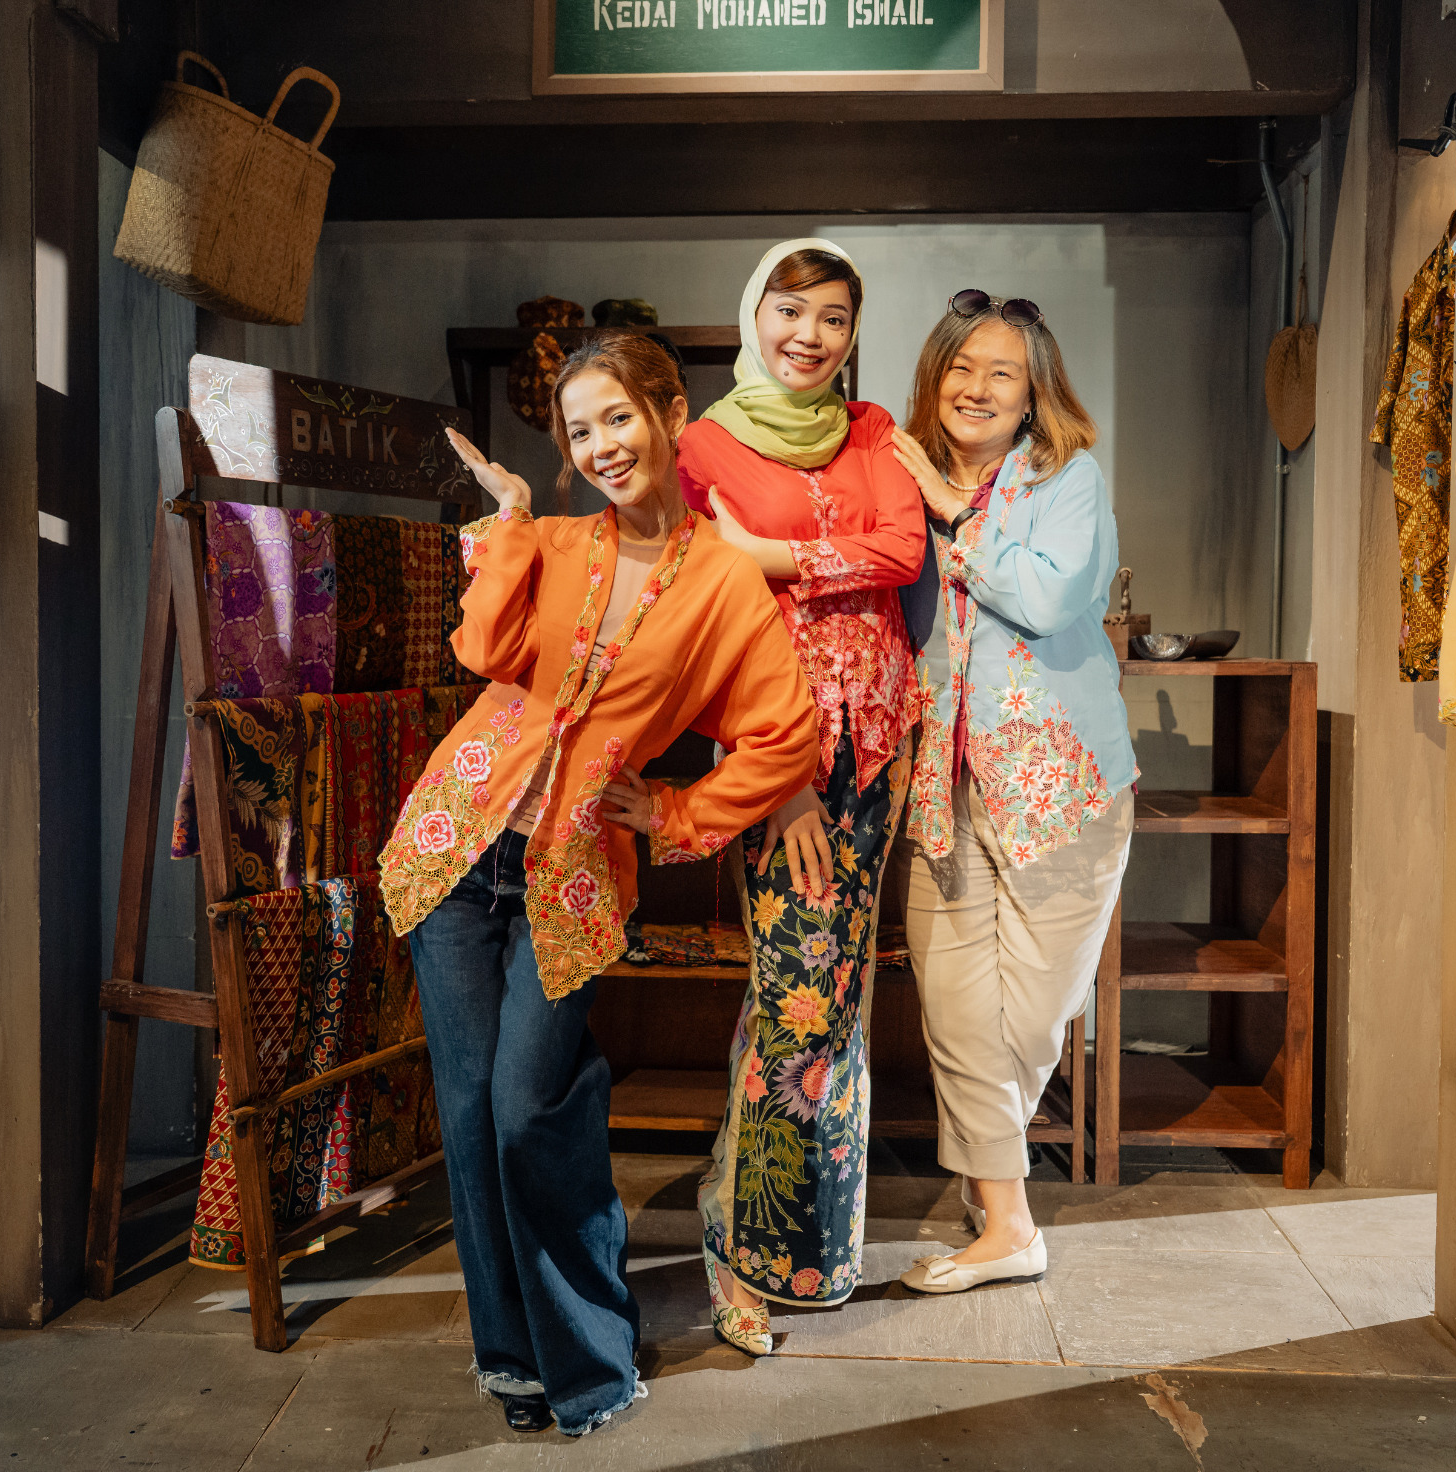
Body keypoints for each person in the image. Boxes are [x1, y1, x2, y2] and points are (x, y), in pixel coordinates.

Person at [378, 332, 818, 1436]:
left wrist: (674, 813)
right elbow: (484, 654)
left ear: (671, 414)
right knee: (470, 1111)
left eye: (619, 417)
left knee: (529, 1108)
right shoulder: (556, 539)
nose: (602, 445)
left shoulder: (724, 579)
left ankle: (588, 1353)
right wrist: (509, 523)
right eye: (580, 431)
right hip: (457, 840)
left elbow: (783, 735)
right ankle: (512, 1360)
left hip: (570, 874)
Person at [673, 239, 926, 1351]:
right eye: (790, 309)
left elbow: (905, 550)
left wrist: (769, 553)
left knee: (843, 1000)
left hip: (880, 747)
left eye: (832, 317)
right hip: (783, 759)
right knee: (795, 1000)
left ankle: (813, 1245)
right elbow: (705, 617)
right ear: (754, 314)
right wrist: (774, 787)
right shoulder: (702, 444)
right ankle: (739, 1246)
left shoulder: (872, 431)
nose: (809, 335)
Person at [887, 290, 1137, 1294]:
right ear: (935, 376)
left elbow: (1046, 597)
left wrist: (955, 513)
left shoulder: (1065, 476)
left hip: (1062, 784)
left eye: (1002, 372)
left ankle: (991, 1182)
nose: (977, 387)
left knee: (1033, 1017)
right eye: (961, 366)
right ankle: (1007, 1221)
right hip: (941, 781)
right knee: (955, 1010)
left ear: (1034, 392)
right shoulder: (897, 476)